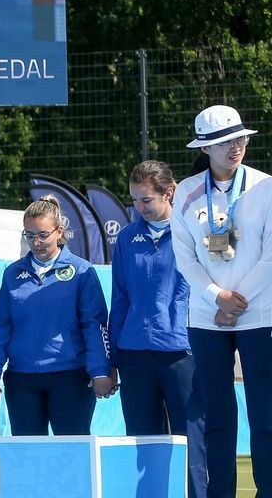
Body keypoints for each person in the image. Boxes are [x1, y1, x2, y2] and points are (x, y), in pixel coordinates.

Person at [173, 105, 272, 498]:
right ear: (205, 149)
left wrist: (238, 300)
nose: (236, 147)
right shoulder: (186, 191)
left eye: (240, 138)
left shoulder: (266, 186)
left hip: (259, 313)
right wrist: (218, 297)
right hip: (206, 315)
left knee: (265, 415)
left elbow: (270, 256)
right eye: (224, 142)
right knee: (217, 417)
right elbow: (185, 258)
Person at [0, 196, 114, 435]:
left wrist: (100, 371)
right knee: (29, 456)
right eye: (29, 235)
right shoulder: (13, 273)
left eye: (43, 235)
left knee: (71, 456)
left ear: (59, 231)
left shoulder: (81, 271)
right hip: (22, 380)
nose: (36, 242)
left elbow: (94, 325)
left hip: (70, 378)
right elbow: (0, 328)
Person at [110, 160, 206, 498]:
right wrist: (113, 357)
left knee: (190, 443)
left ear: (169, 193)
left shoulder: (193, 232)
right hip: (135, 355)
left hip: (183, 353)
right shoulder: (126, 238)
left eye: (146, 200)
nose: (139, 207)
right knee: (142, 444)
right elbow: (119, 300)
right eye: (134, 200)